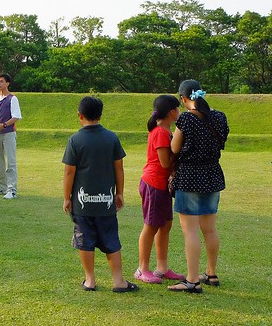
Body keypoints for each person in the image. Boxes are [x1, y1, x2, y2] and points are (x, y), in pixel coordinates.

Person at [62, 96, 138, 293]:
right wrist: (119, 193)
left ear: (80, 115)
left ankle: (90, 280)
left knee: (85, 241)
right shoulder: (111, 138)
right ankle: (118, 281)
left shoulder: (75, 140)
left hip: (82, 204)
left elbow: (69, 172)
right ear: (100, 115)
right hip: (106, 202)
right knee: (111, 240)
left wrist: (67, 197)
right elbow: (119, 168)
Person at [168, 80, 229, 293]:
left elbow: (175, 148)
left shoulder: (186, 118)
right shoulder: (219, 117)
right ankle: (211, 273)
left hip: (190, 176)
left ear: (183, 99)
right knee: (209, 229)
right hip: (212, 175)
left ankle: (192, 280)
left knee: (190, 231)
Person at [135, 95, 186, 284]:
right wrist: (181, 155)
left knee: (165, 226)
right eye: (178, 108)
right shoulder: (161, 133)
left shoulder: (166, 131)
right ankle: (142, 269)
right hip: (154, 184)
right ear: (172, 112)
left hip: (161, 185)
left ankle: (162, 268)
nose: (179, 112)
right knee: (151, 226)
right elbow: (165, 163)